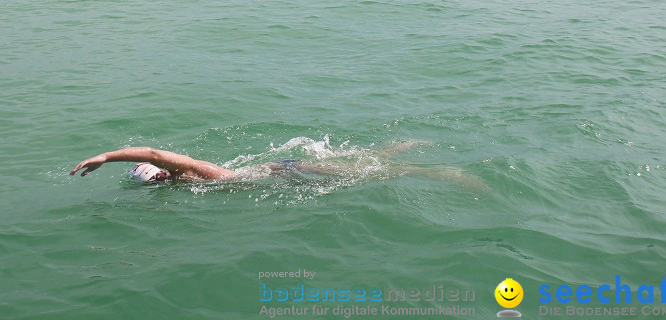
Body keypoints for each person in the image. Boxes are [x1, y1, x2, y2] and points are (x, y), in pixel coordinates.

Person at [68, 140, 470, 186]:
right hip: (282, 169)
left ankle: (428, 170)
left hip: (286, 171)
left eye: (152, 176)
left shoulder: (186, 171)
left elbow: (155, 152)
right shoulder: (175, 185)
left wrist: (106, 155)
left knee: (363, 174)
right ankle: (396, 147)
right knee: (360, 163)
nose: (156, 177)